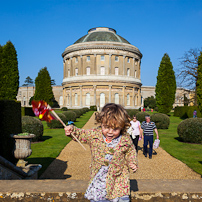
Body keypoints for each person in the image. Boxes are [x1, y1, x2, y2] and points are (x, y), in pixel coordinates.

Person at [65, 103, 138, 202]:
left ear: (121, 126)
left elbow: (131, 151)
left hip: (118, 179)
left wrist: (132, 162)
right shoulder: (95, 134)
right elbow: (82, 134)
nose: (110, 132)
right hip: (99, 179)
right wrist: (72, 130)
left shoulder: (125, 138)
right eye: (106, 127)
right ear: (101, 122)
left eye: (115, 128)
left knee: (121, 198)